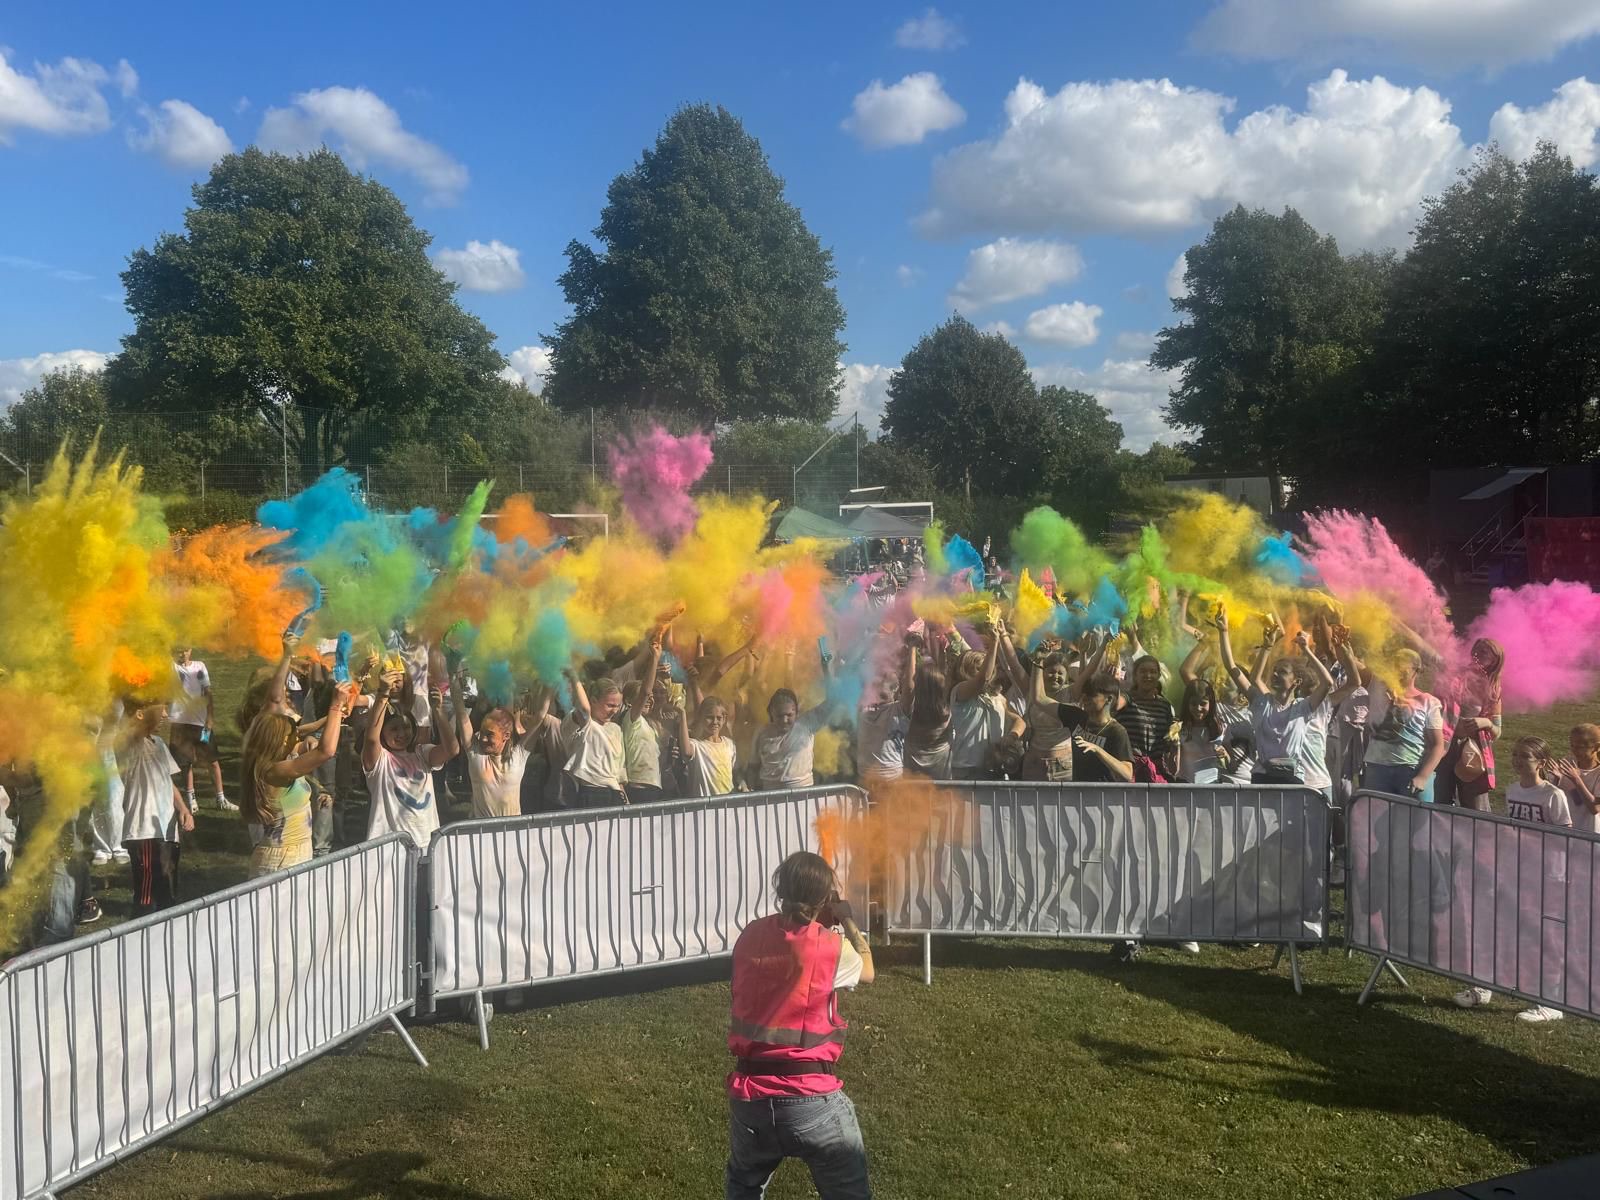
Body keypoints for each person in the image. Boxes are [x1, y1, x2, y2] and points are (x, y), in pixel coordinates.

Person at [726, 851, 873, 1200]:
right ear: (824, 899)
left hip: (752, 1097)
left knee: (742, 1189)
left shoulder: (749, 936)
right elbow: (868, 970)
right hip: (812, 1098)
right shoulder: (830, 947)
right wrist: (848, 920)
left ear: (780, 887)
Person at [1454, 737, 1572, 1023]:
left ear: (1541, 763)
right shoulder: (1512, 790)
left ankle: (1549, 1002)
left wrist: (1535, 844)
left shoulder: (1553, 795)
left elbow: (1567, 834)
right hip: (1515, 871)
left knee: (1543, 938)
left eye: (1526, 757)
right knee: (1499, 930)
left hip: (1546, 877)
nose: (1518, 761)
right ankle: (1484, 987)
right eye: (1516, 754)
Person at [241, 683, 353, 876]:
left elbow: (309, 745)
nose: (299, 737)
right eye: (294, 736)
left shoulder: (274, 760)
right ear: (283, 742)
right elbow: (326, 752)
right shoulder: (273, 771)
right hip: (281, 861)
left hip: (295, 853)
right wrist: (335, 706)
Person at [361, 668, 460, 847]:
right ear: (383, 733)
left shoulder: (422, 753)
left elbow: (452, 749)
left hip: (426, 843)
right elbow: (370, 738)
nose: (401, 734)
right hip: (388, 848)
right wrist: (383, 694)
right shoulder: (379, 760)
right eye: (394, 729)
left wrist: (438, 711)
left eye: (406, 728)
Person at [118, 696, 195, 916]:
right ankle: (138, 943)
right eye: (161, 709)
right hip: (144, 832)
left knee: (168, 898)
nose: (165, 715)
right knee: (145, 901)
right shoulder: (128, 742)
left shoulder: (159, 744)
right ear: (140, 713)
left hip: (168, 831)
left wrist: (183, 809)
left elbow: (167, 781)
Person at [1360, 649, 1447, 801]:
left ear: (1416, 671)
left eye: (1403, 665)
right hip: (1377, 770)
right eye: (1395, 664)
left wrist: (1422, 776)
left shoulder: (1428, 701)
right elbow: (1357, 666)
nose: (1397, 669)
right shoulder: (1378, 690)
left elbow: (1438, 746)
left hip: (1411, 771)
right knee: (1376, 822)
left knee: (1414, 823)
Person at [1435, 638, 1505, 811]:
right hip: (1444, 745)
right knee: (1439, 801)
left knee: (1476, 806)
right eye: (1476, 650)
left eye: (1483, 652)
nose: (1477, 655)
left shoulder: (1493, 689)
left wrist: (1486, 722)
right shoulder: (1455, 676)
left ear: (1494, 660)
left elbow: (1497, 732)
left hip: (1471, 750)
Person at [170, 647, 236, 812]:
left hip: (200, 722)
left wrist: (210, 716)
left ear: (190, 650)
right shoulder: (171, 667)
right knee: (186, 764)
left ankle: (221, 798)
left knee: (212, 761)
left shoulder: (200, 666)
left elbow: (208, 692)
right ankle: (191, 799)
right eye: (178, 651)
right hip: (180, 722)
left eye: (185, 650)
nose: (182, 654)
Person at [563, 673, 628, 807]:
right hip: (590, 792)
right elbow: (584, 709)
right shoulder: (583, 722)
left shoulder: (616, 729)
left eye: (617, 706)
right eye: (610, 705)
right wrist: (575, 676)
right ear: (593, 700)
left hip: (614, 793)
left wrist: (626, 802)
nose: (614, 711)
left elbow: (619, 770)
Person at [1056, 674, 1134, 785]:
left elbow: (1127, 773)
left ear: (1109, 699)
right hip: (1075, 793)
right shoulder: (1077, 716)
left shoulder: (1117, 731)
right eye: (1084, 694)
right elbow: (1039, 699)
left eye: (1091, 694)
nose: (1084, 698)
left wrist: (1097, 750)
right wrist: (1038, 665)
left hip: (1102, 797)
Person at [754, 686, 833, 792]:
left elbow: (832, 702)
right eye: (779, 715)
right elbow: (752, 767)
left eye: (789, 715)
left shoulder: (807, 723)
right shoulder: (761, 732)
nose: (784, 720)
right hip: (770, 799)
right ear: (771, 713)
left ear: (797, 712)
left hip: (804, 797)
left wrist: (827, 673)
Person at [949, 636, 1005, 782]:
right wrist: (994, 643)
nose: (989, 671)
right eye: (979, 668)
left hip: (995, 768)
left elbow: (1018, 719)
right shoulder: (959, 691)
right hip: (967, 769)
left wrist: (1012, 737)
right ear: (965, 669)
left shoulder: (996, 697)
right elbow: (982, 679)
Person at [621, 634, 668, 803]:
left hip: (654, 786)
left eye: (651, 698)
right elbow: (646, 691)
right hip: (638, 788)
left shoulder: (650, 725)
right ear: (628, 702)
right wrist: (654, 658)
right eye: (642, 697)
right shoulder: (631, 719)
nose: (649, 699)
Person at [900, 635, 952, 780]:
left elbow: (909, 687)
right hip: (942, 781)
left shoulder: (910, 711)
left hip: (913, 781)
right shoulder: (947, 710)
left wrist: (912, 648)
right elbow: (943, 676)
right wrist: (943, 650)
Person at [681, 696, 738, 797]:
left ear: (724, 719)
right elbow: (686, 751)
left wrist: (742, 783)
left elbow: (736, 771)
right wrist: (682, 715)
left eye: (719, 718)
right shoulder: (696, 746)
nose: (715, 722)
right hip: (704, 808)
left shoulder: (729, 744)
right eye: (710, 717)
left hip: (726, 805)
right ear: (700, 718)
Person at [1554, 723, 1600, 835]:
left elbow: (1594, 808)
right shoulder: (1567, 764)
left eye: (1580, 747)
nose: (1574, 751)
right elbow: (1553, 799)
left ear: (1597, 747)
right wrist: (1555, 781)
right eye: (1572, 746)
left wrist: (1577, 780)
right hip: (1565, 834)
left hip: (1589, 837)